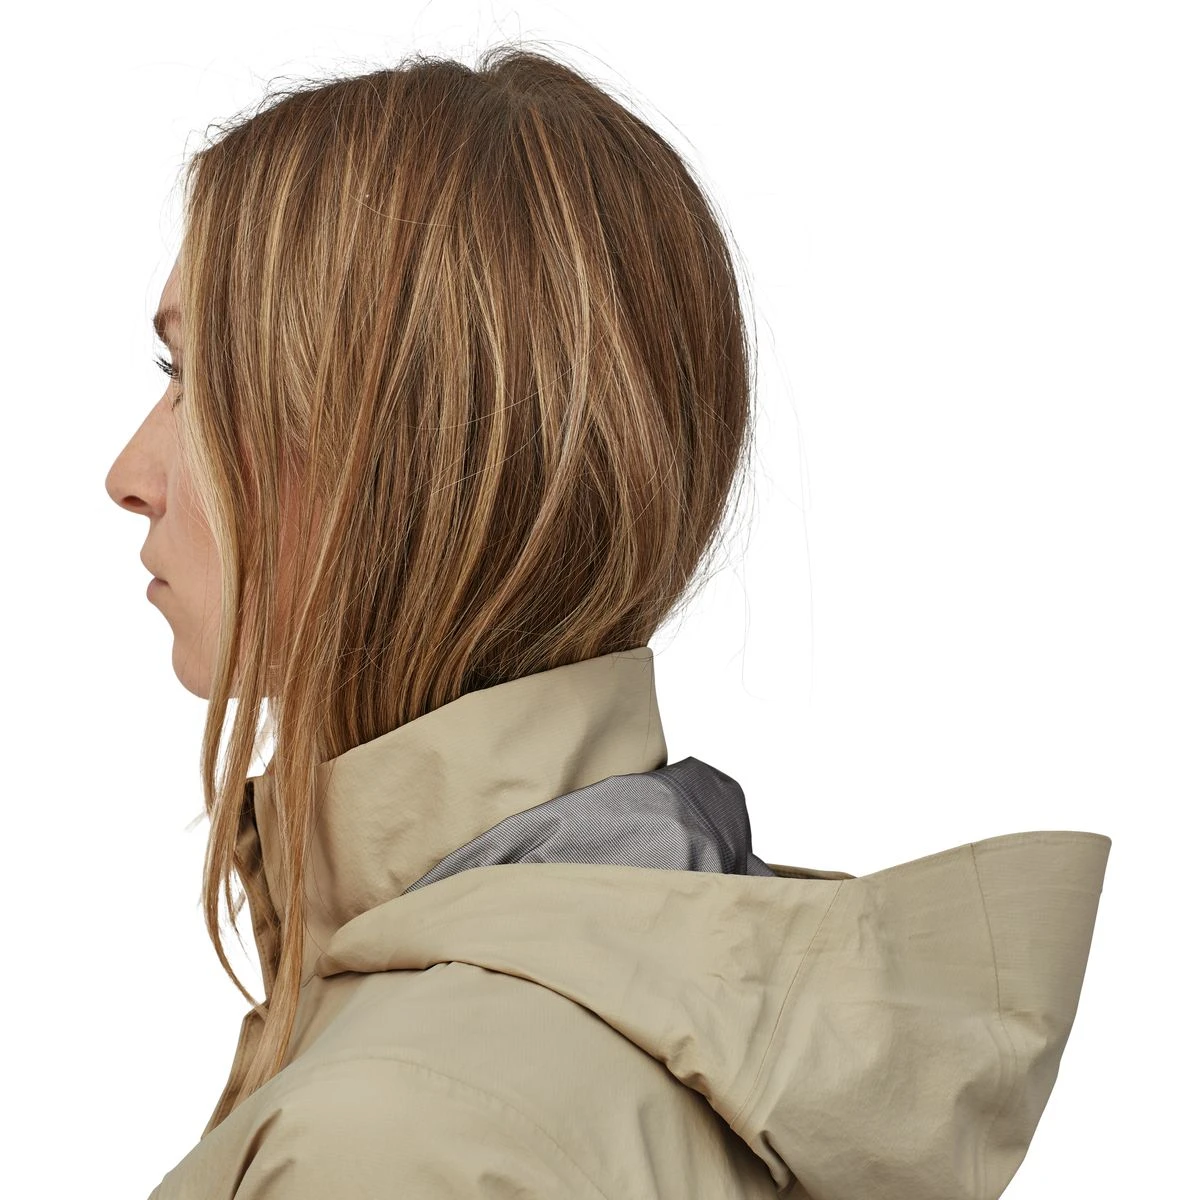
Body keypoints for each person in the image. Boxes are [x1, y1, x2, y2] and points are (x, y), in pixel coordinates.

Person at [106, 43, 1112, 1200]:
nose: (129, 474)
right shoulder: (678, 997)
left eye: (198, 378)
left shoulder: (401, 1136)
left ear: (397, 451)